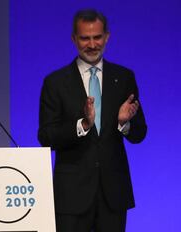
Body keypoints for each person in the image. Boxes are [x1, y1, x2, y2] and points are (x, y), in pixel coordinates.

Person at [38, 9, 147, 232]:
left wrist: (124, 123)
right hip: (71, 196)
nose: (92, 44)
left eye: (97, 37)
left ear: (107, 36)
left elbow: (139, 133)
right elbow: (46, 136)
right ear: (74, 39)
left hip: (113, 195)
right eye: (85, 38)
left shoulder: (124, 77)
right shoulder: (55, 82)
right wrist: (83, 125)